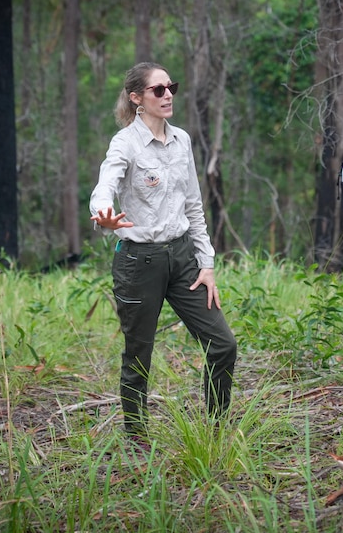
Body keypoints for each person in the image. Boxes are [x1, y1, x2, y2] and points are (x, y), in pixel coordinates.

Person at [89, 62, 238, 450]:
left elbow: (193, 205)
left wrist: (207, 264)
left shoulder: (182, 140)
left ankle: (215, 430)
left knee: (222, 345)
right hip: (139, 263)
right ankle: (136, 439)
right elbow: (105, 185)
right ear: (137, 98)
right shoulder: (125, 143)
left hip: (184, 258)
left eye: (171, 86)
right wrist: (104, 213)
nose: (168, 94)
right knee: (138, 354)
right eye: (158, 89)